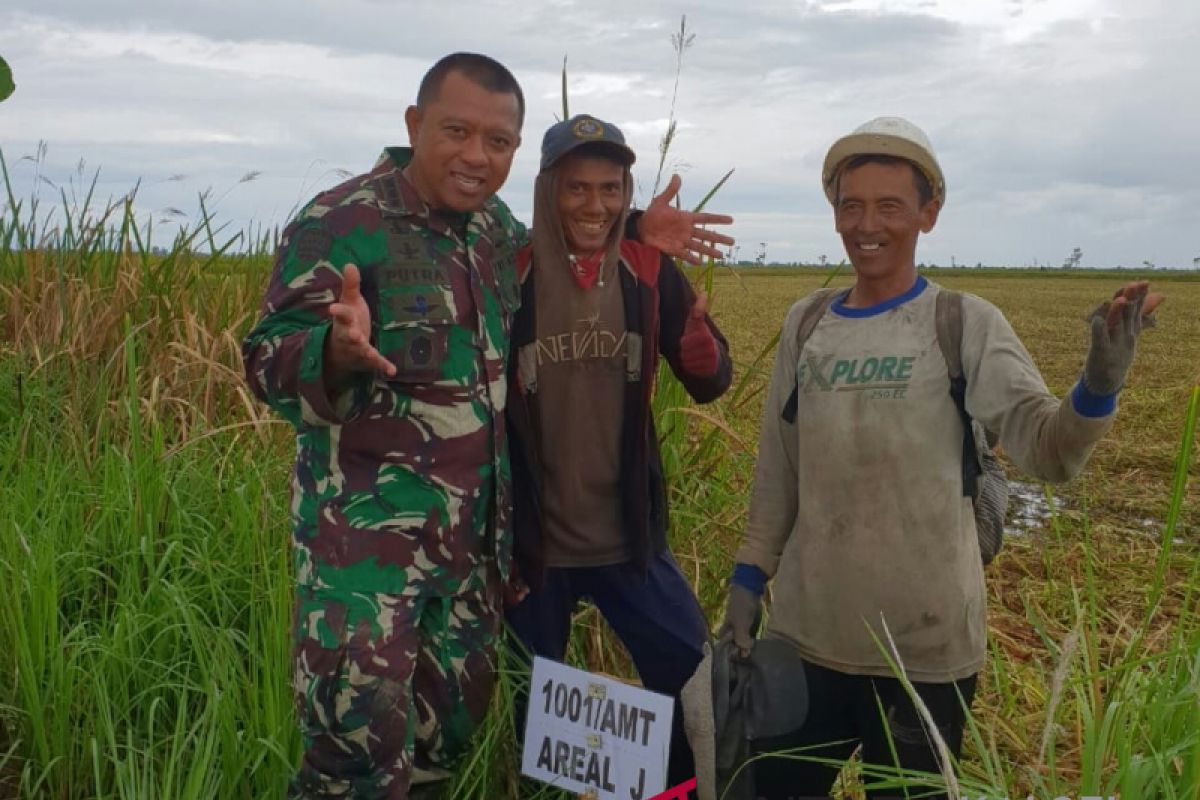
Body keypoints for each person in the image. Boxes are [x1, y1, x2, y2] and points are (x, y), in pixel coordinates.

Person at [241, 53, 733, 800]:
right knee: (354, 766)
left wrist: (634, 223)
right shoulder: (341, 222)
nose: (477, 155)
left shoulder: (493, 232)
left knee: (447, 751)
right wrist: (333, 353)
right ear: (415, 125)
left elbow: (580, 225)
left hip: (477, 557)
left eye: (497, 141)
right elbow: (267, 361)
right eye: (457, 131)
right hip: (366, 566)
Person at [719, 116, 1163, 800]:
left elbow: (1049, 453)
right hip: (806, 641)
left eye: (890, 206)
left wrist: (1098, 384)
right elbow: (779, 470)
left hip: (924, 657)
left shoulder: (963, 324)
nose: (867, 224)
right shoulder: (808, 324)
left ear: (928, 213)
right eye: (851, 205)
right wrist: (748, 580)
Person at [504, 114, 733, 788]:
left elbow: (711, 381)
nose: (595, 205)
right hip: (534, 550)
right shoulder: (507, 277)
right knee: (535, 716)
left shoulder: (646, 269)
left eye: (611, 189)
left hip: (629, 541)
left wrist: (700, 350)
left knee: (696, 681)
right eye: (578, 189)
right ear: (548, 190)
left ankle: (674, 787)